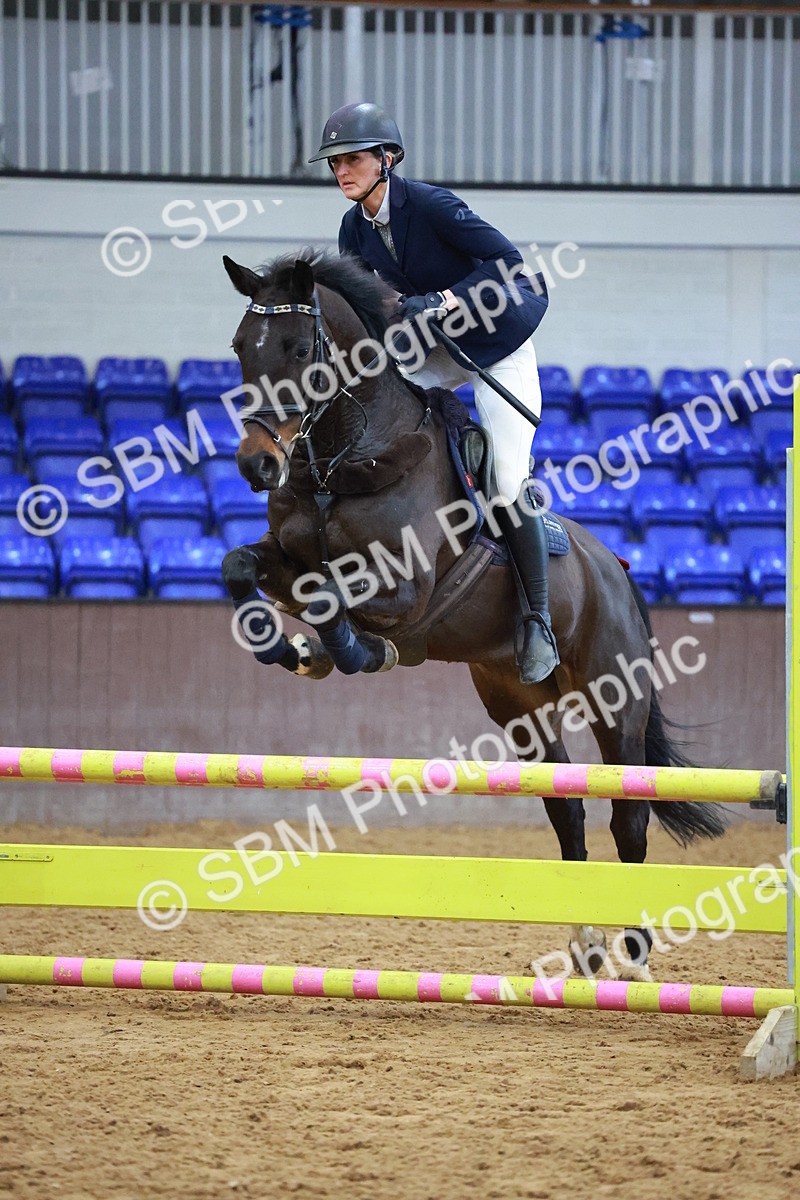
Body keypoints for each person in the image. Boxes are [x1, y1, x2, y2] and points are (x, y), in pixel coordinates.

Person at [309, 101, 558, 684]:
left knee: (508, 479)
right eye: (335, 162)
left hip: (497, 344)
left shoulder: (432, 204)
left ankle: (539, 619)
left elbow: (507, 261)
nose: (341, 170)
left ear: (387, 159)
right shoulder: (352, 229)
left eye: (352, 159)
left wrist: (444, 301)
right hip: (433, 351)